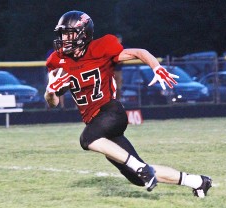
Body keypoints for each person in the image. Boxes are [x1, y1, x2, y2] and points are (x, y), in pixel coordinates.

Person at [44, 10, 212, 197]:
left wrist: (156, 67)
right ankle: (197, 181)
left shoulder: (101, 47)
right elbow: (53, 103)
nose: (64, 39)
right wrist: (50, 91)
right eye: (62, 34)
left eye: (69, 34)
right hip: (96, 124)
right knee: (137, 178)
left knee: (87, 140)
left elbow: (140, 52)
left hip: (111, 112)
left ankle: (140, 167)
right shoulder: (57, 61)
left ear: (84, 34)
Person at [114, 34, 125, 100]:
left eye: (119, 40)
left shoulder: (122, 48)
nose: (118, 41)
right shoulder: (111, 48)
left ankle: (118, 100)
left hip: (118, 70)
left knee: (119, 86)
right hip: (111, 70)